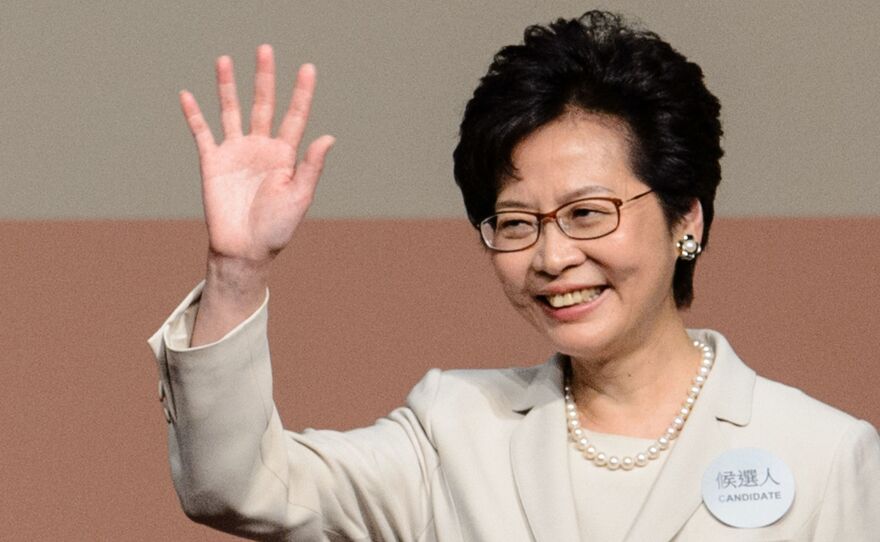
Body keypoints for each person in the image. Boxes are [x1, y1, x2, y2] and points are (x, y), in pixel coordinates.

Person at [149, 11, 880, 541]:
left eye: (587, 214)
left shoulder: (821, 454)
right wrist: (236, 269)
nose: (553, 256)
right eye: (517, 222)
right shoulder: (456, 429)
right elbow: (235, 486)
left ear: (687, 218)